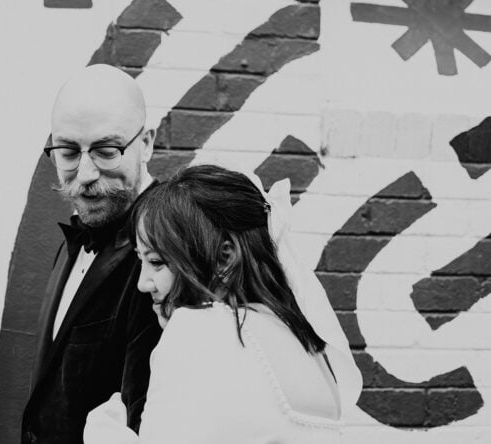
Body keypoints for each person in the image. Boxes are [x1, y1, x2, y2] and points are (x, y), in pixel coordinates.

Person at [85, 164, 361, 443]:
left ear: (225, 258)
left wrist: (104, 432)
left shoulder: (198, 330)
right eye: (141, 261)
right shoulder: (310, 347)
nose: (143, 283)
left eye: (156, 262)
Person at [21, 64, 163, 444]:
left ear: (146, 143)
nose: (84, 173)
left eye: (106, 151)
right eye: (68, 152)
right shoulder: (78, 234)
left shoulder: (167, 257)